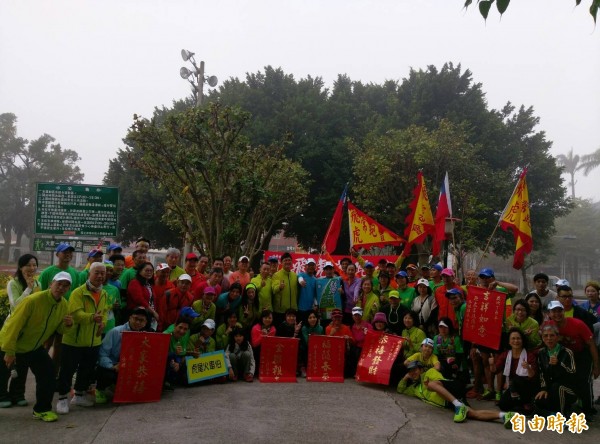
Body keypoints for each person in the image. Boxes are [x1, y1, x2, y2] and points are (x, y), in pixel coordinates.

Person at [0, 272, 73, 421]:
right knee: (2, 376)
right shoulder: (33, 300)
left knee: (48, 374)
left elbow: (60, 329)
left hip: (33, 347)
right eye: (59, 283)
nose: (61, 288)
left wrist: (68, 325)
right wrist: (9, 351)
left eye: (65, 286)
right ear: (50, 284)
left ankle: (42, 410)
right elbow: (13, 325)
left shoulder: (64, 305)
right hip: (10, 344)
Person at [56, 262, 109, 415]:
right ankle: (62, 399)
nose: (100, 276)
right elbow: (75, 314)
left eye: (102, 273)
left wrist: (102, 322)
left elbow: (104, 312)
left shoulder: (103, 293)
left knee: (86, 370)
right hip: (74, 340)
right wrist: (93, 318)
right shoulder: (78, 293)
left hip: (93, 340)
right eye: (96, 273)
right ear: (89, 274)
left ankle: (79, 395)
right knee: (67, 370)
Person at [397, 361, 516, 427]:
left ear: (421, 369)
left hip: (452, 388)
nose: (413, 373)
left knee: (431, 385)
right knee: (474, 414)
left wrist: (428, 384)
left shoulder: (429, 372)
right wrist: (405, 378)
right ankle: (505, 416)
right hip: (449, 401)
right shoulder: (414, 389)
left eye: (415, 370)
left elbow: (440, 381)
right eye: (410, 372)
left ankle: (459, 406)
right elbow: (400, 390)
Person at [547, 300, 599, 417]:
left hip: (582, 354)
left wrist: (596, 365)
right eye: (553, 311)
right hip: (564, 356)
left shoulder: (577, 324)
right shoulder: (548, 326)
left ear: (564, 311)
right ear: (549, 313)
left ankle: (588, 409)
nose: (557, 314)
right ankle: (567, 403)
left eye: (559, 311)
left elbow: (591, 344)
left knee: (584, 381)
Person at [95, 306, 149, 404]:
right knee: (106, 374)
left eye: (141, 320)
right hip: (113, 366)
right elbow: (102, 354)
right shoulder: (115, 332)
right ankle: (100, 389)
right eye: (136, 319)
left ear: (145, 323)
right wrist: (112, 366)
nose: (138, 322)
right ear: (130, 318)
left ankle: (116, 386)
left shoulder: (144, 336)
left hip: (129, 368)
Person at [490, 327, 538, 415]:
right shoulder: (506, 354)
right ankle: (521, 406)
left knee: (516, 380)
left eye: (518, 338)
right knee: (502, 405)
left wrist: (528, 367)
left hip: (527, 387)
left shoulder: (529, 355)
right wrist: (492, 364)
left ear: (522, 341)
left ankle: (526, 403)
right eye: (513, 338)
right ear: (509, 342)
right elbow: (495, 370)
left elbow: (532, 376)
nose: (516, 341)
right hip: (513, 389)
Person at [535, 323, 578, 416]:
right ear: (542, 338)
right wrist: (544, 389)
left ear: (557, 337)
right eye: (545, 336)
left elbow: (573, 373)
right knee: (538, 399)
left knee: (558, 387)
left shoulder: (567, 352)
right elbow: (541, 373)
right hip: (551, 388)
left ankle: (561, 416)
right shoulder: (541, 352)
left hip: (568, 388)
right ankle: (554, 413)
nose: (549, 338)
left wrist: (559, 364)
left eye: (552, 335)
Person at [126, 262, 159, 331]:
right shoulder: (134, 282)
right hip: (137, 316)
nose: (149, 272)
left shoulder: (149, 284)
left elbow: (152, 301)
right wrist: (153, 312)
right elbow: (139, 299)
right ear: (140, 271)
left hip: (148, 316)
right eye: (147, 270)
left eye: (151, 271)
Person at [271, 252, 299, 326]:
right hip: (280, 311)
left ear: (291, 262)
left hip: (292, 310)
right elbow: (274, 289)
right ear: (281, 262)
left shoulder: (294, 275)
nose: (287, 262)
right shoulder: (276, 275)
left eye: (289, 260)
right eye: (285, 260)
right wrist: (279, 287)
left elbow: (297, 292)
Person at [316, 261, 343, 327]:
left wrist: (342, 292)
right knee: (325, 328)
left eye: (330, 269)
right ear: (324, 271)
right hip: (323, 310)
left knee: (336, 328)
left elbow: (348, 277)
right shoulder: (318, 281)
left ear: (333, 269)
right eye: (327, 269)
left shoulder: (339, 279)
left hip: (336, 310)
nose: (329, 271)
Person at [250, 310, 276, 375]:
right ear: (262, 318)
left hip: (268, 351)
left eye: (270, 318)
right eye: (265, 318)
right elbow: (254, 344)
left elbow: (271, 344)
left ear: (272, 319)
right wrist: (262, 336)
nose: (267, 320)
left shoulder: (273, 329)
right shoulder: (255, 328)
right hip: (257, 351)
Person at [300, 310, 324, 377]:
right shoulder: (304, 328)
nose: (312, 319)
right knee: (303, 348)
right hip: (308, 347)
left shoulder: (321, 328)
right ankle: (303, 368)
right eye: (310, 318)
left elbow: (322, 341)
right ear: (307, 319)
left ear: (317, 318)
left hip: (318, 347)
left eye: (314, 317)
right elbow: (307, 341)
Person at [297, 258, 318, 323]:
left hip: (311, 309)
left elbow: (315, 295)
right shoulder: (301, 275)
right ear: (305, 266)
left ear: (315, 267)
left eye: (312, 265)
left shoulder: (315, 280)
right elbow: (299, 278)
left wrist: (316, 305)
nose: (311, 267)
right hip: (301, 308)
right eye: (309, 265)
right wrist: (301, 281)